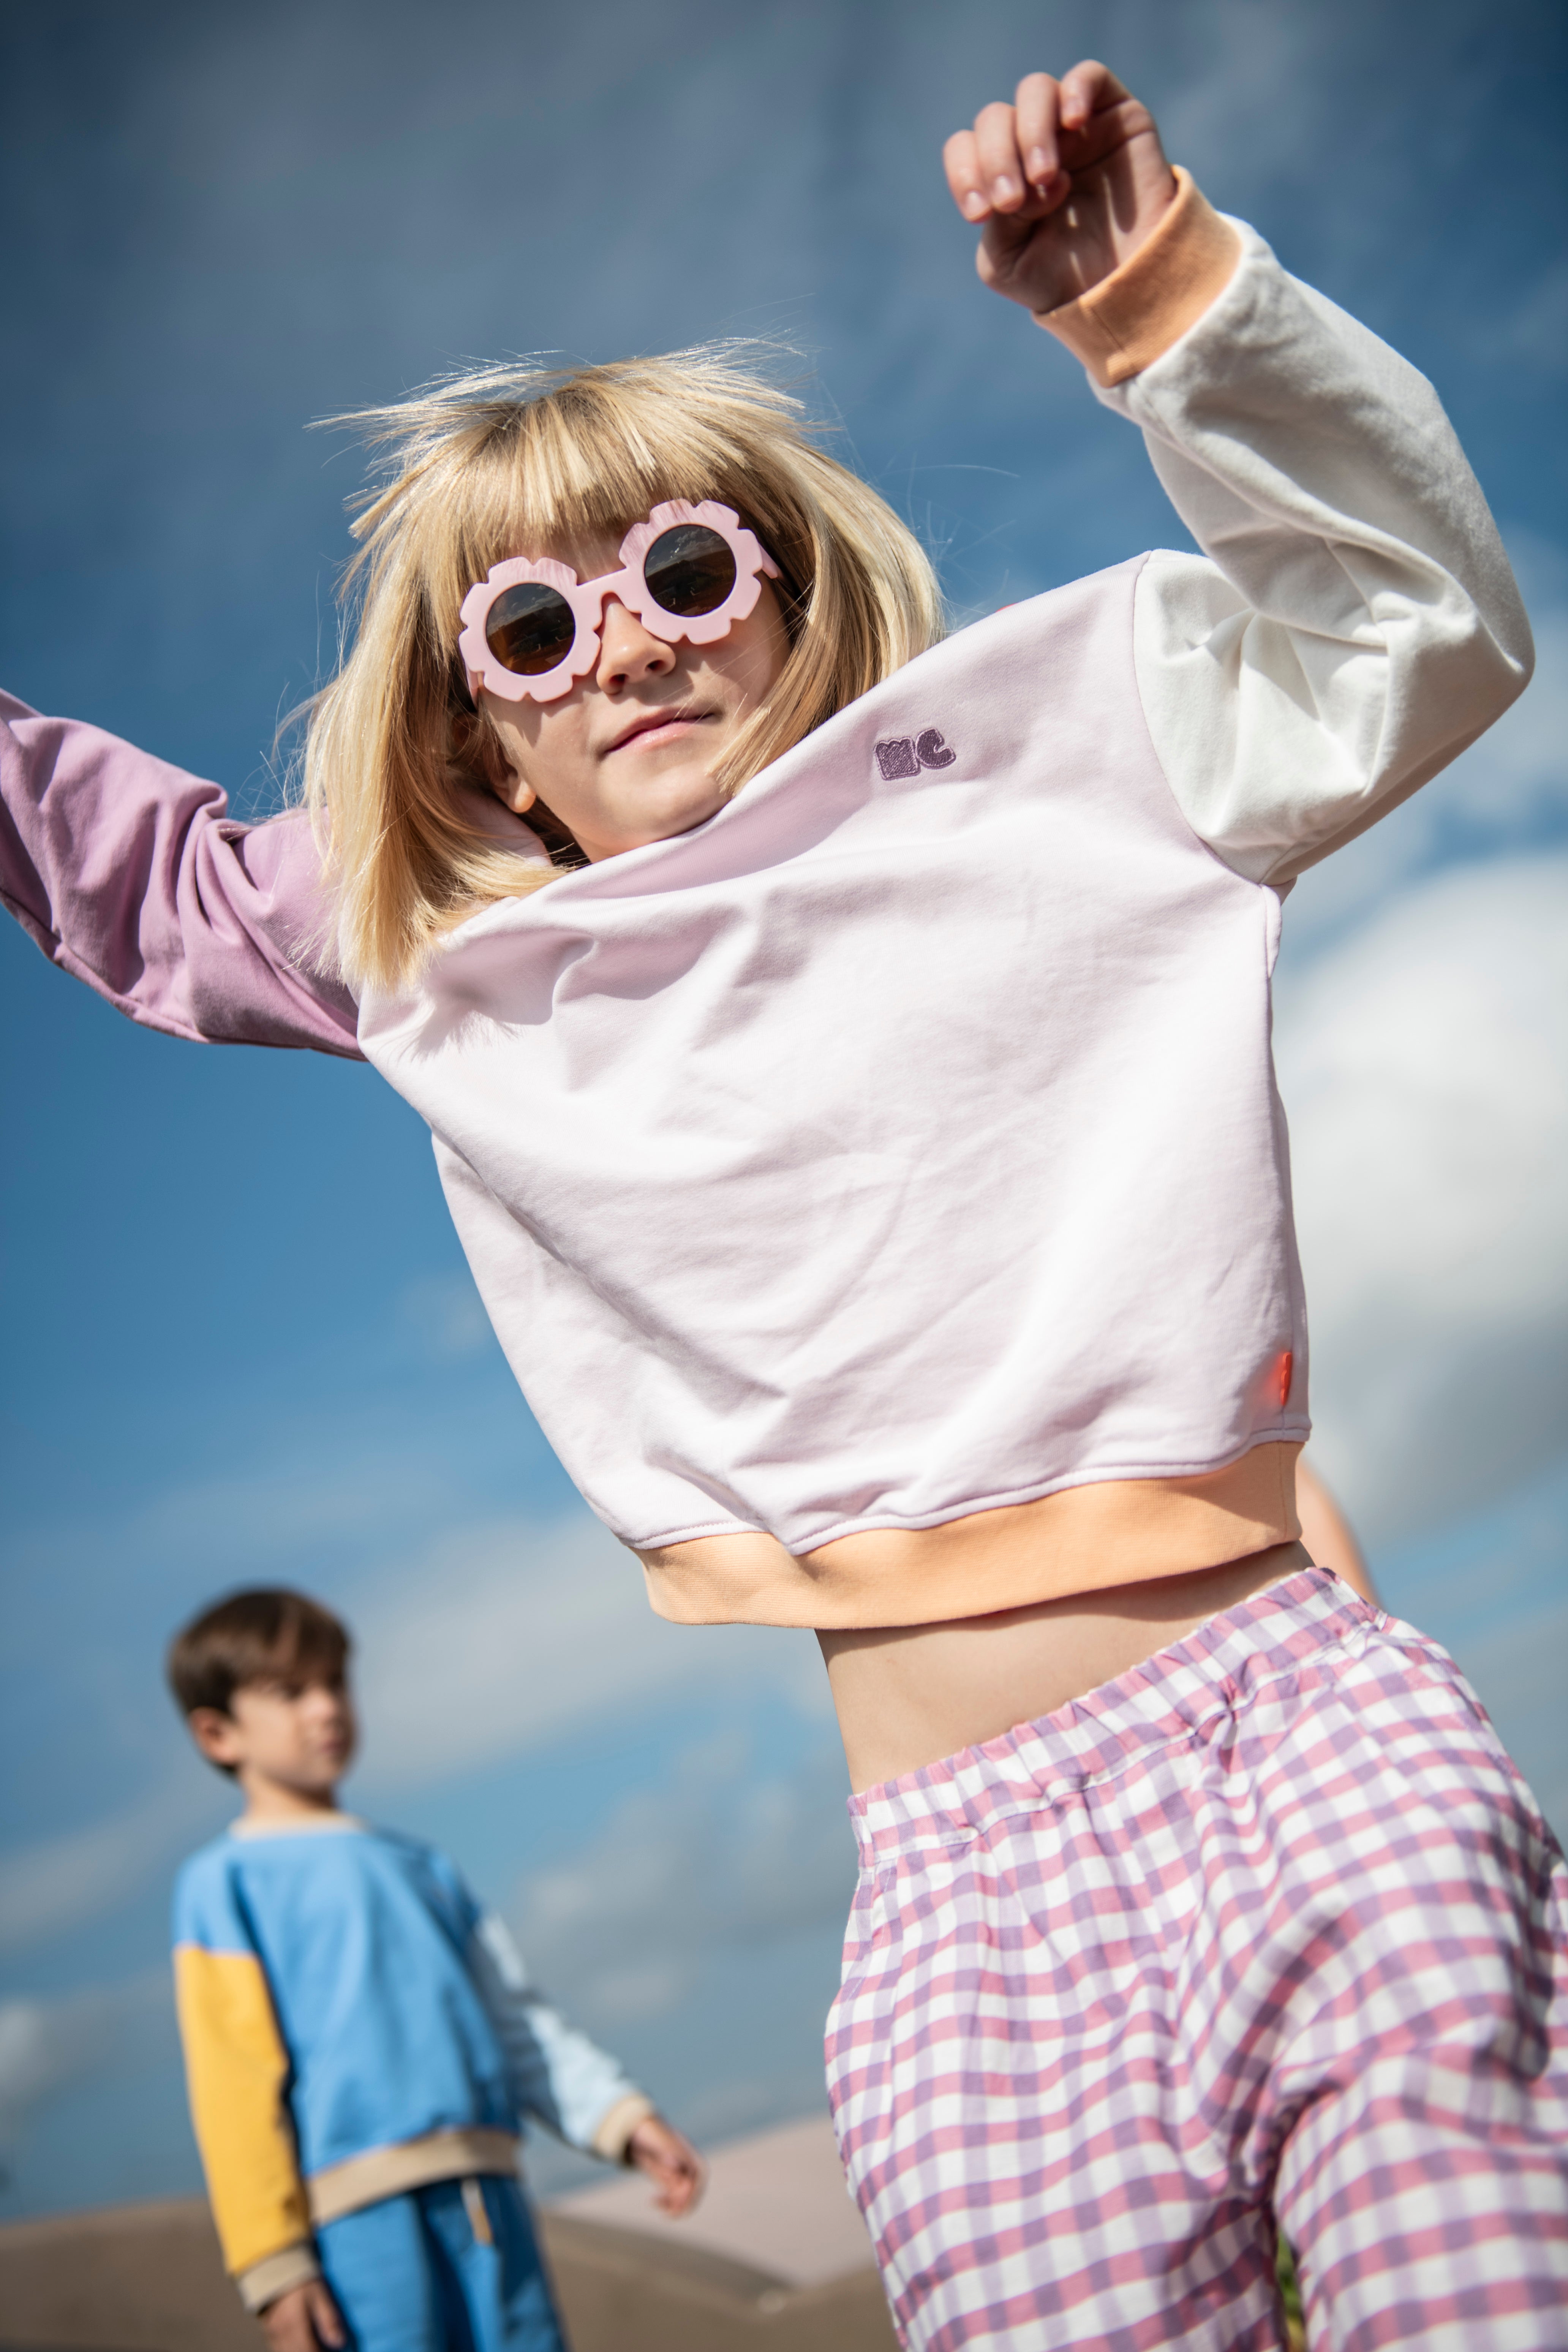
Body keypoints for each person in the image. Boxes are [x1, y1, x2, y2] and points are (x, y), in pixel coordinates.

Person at [5, 52, 1564, 2350]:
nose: (622, 640)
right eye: (528, 628)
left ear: (786, 585)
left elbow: (1416, 622)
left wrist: (1165, 303)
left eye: (677, 568)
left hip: (1295, 1739)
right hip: (959, 1905)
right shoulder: (448, 972)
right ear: (473, 740)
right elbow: (116, 871)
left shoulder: (1053, 750)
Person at [166, 1587, 703, 2352]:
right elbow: (232, 2086)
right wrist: (273, 2262)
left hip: (493, 2196)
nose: (326, 1709)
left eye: (334, 1683)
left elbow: (514, 2018)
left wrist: (619, 2117)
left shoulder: (424, 1867)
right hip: (357, 2226)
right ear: (218, 1734)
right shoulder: (224, 1886)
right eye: (290, 1693)